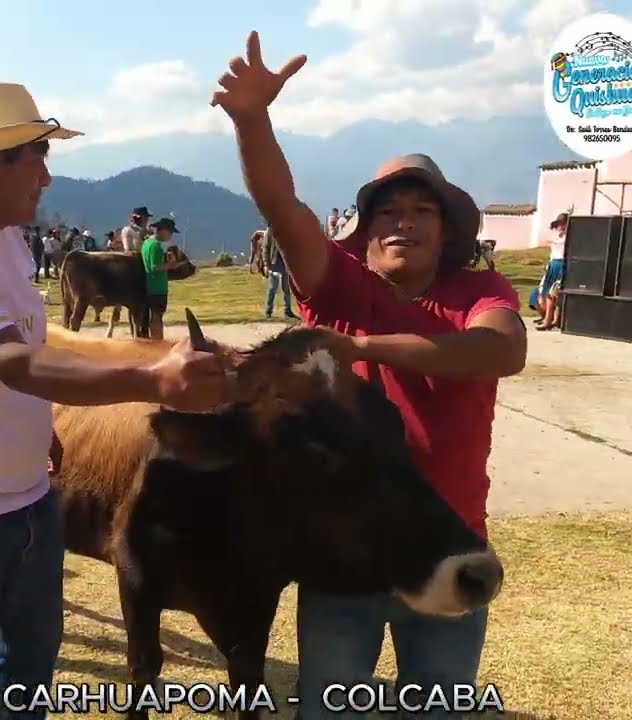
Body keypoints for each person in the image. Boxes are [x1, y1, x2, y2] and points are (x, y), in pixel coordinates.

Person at [0, 81, 230, 720]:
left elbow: (28, 346)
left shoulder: (2, 234)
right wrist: (152, 382)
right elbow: (12, 360)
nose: (45, 177)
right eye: (37, 157)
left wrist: (42, 427)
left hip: (34, 499)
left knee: (31, 666)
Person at [212, 32, 526, 719]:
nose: (403, 223)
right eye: (388, 211)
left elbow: (500, 352)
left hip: (449, 550)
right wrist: (251, 120)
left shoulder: (480, 292)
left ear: (448, 233)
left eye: (422, 212)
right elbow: (282, 208)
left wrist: (364, 349)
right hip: (341, 560)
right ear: (365, 230)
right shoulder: (340, 287)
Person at [140, 217, 187, 340]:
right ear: (164, 230)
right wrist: (173, 265)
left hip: (149, 284)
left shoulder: (146, 243)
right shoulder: (155, 245)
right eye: (170, 232)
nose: (170, 236)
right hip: (157, 286)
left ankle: (155, 339)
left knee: (154, 315)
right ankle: (158, 341)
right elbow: (155, 267)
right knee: (157, 316)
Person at [536, 213, 568, 331]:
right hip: (553, 264)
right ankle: (552, 319)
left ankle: (549, 321)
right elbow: (553, 252)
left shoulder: (569, 237)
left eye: (563, 224)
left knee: (553, 294)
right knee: (545, 293)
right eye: (559, 224)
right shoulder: (557, 237)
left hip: (562, 264)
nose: (560, 227)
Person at [262, 225, 297, 319]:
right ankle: (268, 312)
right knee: (272, 288)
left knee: (286, 288)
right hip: (274, 263)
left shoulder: (286, 230)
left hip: (285, 263)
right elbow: (266, 247)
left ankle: (287, 311)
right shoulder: (270, 231)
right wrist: (266, 264)